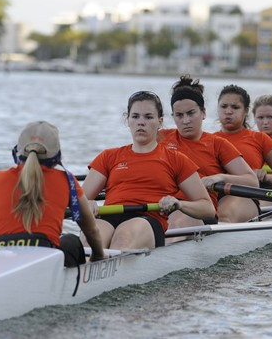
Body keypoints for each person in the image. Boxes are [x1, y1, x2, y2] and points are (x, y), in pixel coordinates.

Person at [82, 91, 215, 250]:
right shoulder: (108, 156)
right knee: (88, 242)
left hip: (147, 219)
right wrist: (86, 204)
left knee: (123, 238)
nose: (141, 122)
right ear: (127, 120)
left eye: (148, 117)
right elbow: (78, 201)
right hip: (109, 216)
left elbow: (208, 209)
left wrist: (179, 204)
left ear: (160, 122)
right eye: (135, 116)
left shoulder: (176, 159)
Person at [0, 121, 106, 266]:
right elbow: (91, 230)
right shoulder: (67, 181)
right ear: (57, 155)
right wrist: (99, 256)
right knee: (71, 241)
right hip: (43, 257)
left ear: (19, 151)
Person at [160, 75, 259, 228]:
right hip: (163, 207)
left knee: (179, 220)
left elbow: (252, 181)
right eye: (179, 115)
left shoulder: (217, 144)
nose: (185, 120)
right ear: (173, 116)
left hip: (199, 211)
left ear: (203, 113)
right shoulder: (160, 138)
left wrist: (219, 177)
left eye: (191, 113)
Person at [214, 84, 272, 220]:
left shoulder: (260, 139)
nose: (228, 111)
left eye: (235, 107)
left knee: (224, 215)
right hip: (213, 197)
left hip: (245, 197)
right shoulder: (208, 139)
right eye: (224, 107)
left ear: (245, 111)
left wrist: (267, 177)